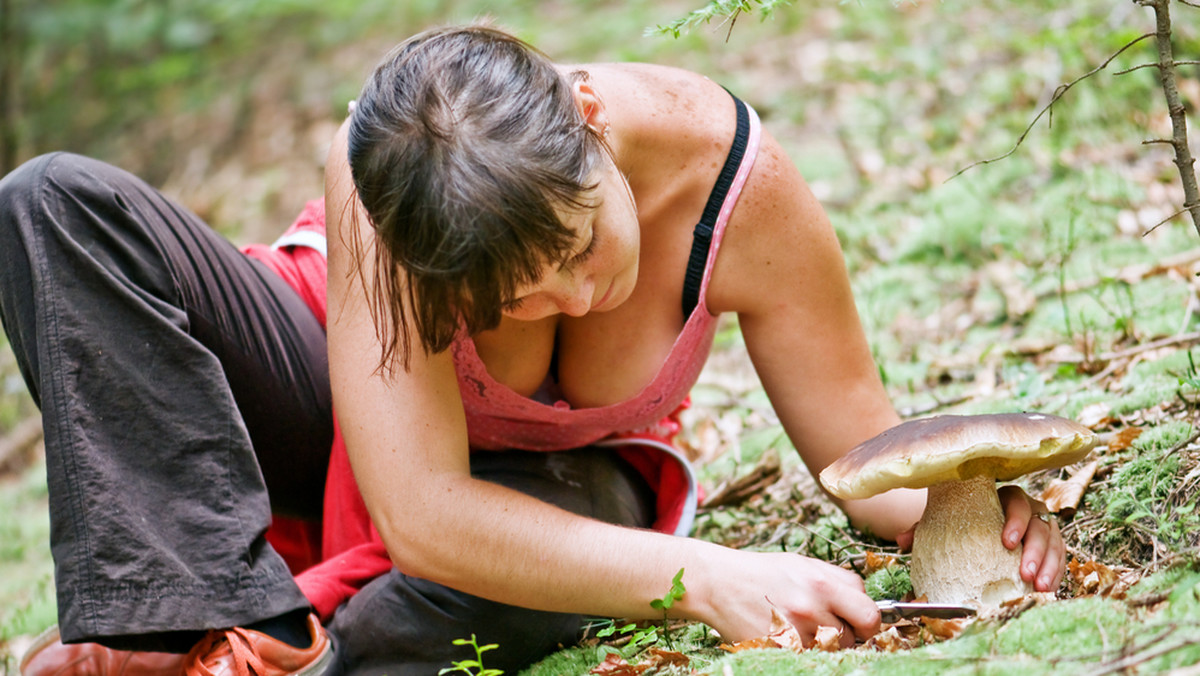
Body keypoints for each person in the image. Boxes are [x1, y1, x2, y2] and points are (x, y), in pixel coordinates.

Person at [0, 24, 1067, 676]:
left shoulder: (740, 194)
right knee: (50, 200)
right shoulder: (387, 169)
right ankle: (217, 628)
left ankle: (266, 659)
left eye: (574, 245)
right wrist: (706, 577)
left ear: (588, 114)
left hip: (539, 482)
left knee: (549, 566)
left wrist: (970, 505)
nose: (571, 292)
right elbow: (421, 513)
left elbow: (859, 450)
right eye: (502, 297)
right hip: (335, 402)